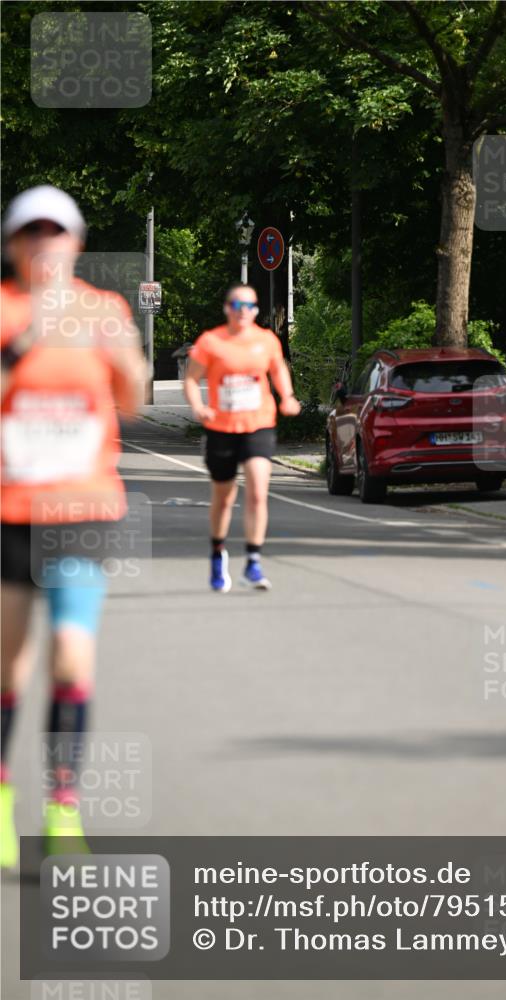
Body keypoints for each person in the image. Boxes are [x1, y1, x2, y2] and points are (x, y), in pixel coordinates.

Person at [0, 186, 146, 868]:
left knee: (69, 653)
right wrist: (27, 340)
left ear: (75, 242)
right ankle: (1, 800)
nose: (43, 244)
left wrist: (124, 355)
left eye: (55, 233)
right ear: (12, 246)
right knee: (9, 665)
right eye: (30, 234)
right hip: (10, 512)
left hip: (83, 509)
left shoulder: (104, 310)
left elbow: (135, 400)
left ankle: (62, 809)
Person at [184, 283, 300, 592]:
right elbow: (192, 379)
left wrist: (287, 396)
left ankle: (253, 561)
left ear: (256, 311)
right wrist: (198, 408)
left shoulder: (266, 341)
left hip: (258, 424)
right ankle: (217, 553)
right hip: (221, 427)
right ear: (227, 309)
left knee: (259, 492)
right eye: (237, 305)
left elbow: (278, 370)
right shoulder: (211, 342)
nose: (243, 312)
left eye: (250, 306)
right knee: (225, 498)